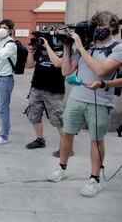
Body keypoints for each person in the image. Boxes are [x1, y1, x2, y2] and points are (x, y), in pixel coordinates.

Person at [47, 11, 122, 198]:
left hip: (100, 101)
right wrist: (67, 47)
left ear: (113, 26)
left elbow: (101, 70)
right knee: (67, 133)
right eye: (96, 25)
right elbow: (65, 70)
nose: (98, 29)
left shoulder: (117, 48)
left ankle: (94, 179)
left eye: (102, 25)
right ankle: (62, 168)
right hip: (76, 98)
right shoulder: (87, 46)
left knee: (96, 140)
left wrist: (80, 48)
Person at [25, 32, 70, 157]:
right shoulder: (40, 48)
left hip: (54, 90)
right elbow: (29, 65)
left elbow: (58, 63)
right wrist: (31, 52)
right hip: (37, 87)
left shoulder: (66, 49)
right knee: (34, 115)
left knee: (59, 119)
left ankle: (67, 147)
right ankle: (40, 139)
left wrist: (47, 47)